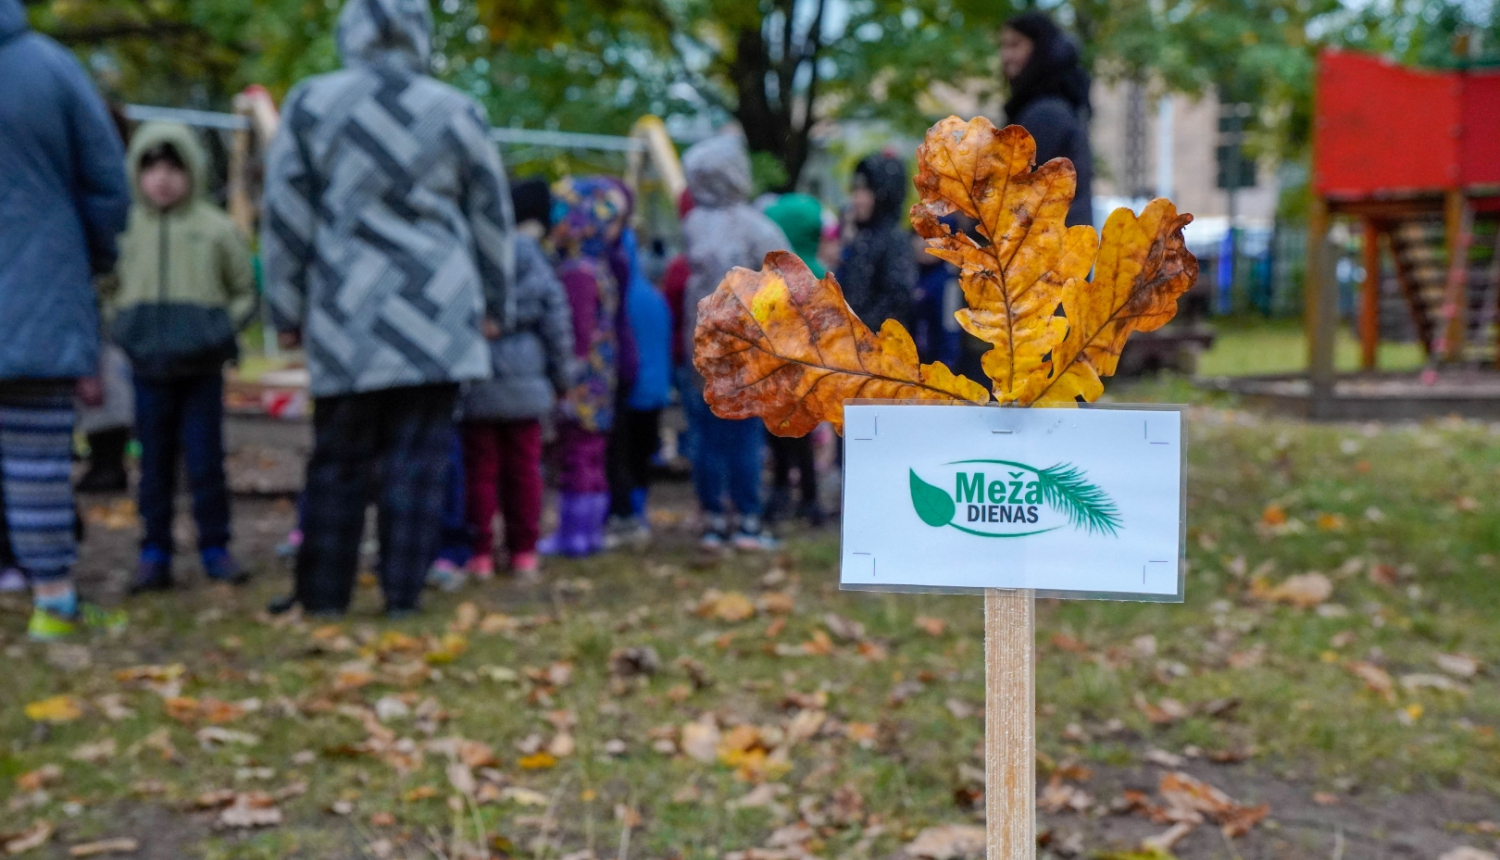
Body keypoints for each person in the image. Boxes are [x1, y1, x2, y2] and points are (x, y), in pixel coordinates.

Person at [261, 0, 514, 618]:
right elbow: (491, 217)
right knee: (419, 461)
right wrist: (494, 303)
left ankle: (324, 598)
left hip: (346, 308)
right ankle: (403, 596)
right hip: (437, 309)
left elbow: (286, 215)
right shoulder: (457, 110)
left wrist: (285, 309)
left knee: (338, 456)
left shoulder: (312, 103)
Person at [1, 0, 133, 639]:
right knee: (37, 460)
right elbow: (107, 181)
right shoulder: (51, 67)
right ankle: (53, 603)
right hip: (41, 288)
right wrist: (93, 257)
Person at [110, 123, 257, 593]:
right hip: (146, 369)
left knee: (205, 460)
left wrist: (219, 329)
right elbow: (106, 287)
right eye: (152, 168)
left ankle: (215, 546)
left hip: (202, 370)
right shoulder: (125, 229)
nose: (164, 179)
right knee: (153, 464)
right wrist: (122, 328)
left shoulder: (215, 229)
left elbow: (244, 288)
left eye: (175, 168)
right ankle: (154, 551)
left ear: (193, 170)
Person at [459, 179, 574, 578]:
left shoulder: (469, 252)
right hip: (526, 384)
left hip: (478, 380)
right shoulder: (532, 259)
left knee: (480, 471)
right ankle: (524, 550)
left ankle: (480, 553)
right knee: (524, 469)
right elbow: (556, 324)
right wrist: (562, 378)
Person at [679, 135, 789, 551]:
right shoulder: (757, 226)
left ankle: (713, 517)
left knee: (707, 435)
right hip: (746, 351)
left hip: (702, 349)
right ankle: (747, 518)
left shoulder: (693, 224)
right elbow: (788, 285)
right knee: (743, 437)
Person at [538, 177, 624, 558]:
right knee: (591, 457)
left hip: (580, 384)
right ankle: (590, 532)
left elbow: (577, 331)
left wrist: (566, 381)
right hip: (601, 381)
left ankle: (573, 534)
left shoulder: (576, 272)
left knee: (576, 458)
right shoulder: (600, 267)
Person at [604, 220, 673, 549]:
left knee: (622, 454)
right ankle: (639, 509)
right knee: (643, 455)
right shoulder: (654, 298)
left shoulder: (615, 296)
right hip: (654, 391)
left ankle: (624, 512)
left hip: (627, 390)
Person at [762, 193, 829, 527]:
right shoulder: (820, 274)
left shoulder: (774, 279)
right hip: (810, 372)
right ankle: (808, 497)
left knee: (781, 436)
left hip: (779, 371)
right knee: (803, 438)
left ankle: (783, 493)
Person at [999, 10, 1094, 228]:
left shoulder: (1046, 114)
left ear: (1041, 49)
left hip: (1045, 243)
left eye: (1015, 45)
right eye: (1003, 46)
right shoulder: (1055, 109)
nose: (1005, 56)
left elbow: (1009, 193)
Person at [836, 153, 916, 331]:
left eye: (865, 191)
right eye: (855, 191)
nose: (856, 199)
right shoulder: (862, 237)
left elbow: (896, 302)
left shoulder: (894, 240)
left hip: (875, 342)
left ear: (884, 194)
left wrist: (858, 331)